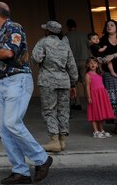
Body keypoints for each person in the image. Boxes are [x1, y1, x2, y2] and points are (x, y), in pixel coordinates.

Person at [0, 2, 52, 184]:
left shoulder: (14, 27)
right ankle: (20, 170)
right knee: (4, 129)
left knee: (12, 123)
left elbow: (9, 52)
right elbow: (0, 51)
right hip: (3, 82)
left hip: (17, 80)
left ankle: (42, 159)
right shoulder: (1, 31)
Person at [31, 20, 78, 152]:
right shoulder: (65, 45)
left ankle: (54, 140)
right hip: (64, 81)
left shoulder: (43, 42)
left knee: (49, 110)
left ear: (47, 31)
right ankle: (62, 140)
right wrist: (73, 83)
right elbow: (72, 67)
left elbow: (36, 59)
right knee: (63, 110)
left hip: (48, 81)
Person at [84, 57, 115, 138]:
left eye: (94, 63)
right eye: (90, 63)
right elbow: (87, 87)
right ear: (87, 65)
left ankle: (101, 130)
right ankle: (95, 131)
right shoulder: (88, 75)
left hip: (101, 95)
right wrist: (89, 97)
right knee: (94, 113)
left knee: (100, 113)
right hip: (94, 96)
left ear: (97, 65)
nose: (93, 64)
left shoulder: (99, 74)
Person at [63, 19, 90, 111]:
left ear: (68, 26)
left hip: (72, 62)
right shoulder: (83, 35)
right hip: (84, 61)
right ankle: (89, 101)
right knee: (85, 82)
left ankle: (77, 103)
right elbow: (89, 46)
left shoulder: (66, 36)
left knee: (74, 83)